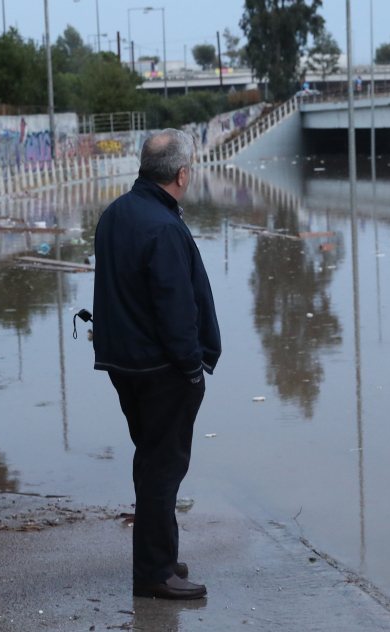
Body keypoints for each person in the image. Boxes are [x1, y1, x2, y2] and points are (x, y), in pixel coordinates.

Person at [92, 129, 221, 600]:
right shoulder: (164, 227)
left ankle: (160, 555)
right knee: (164, 468)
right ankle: (153, 575)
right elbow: (175, 310)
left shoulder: (116, 214)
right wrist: (192, 368)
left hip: (125, 363)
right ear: (183, 174)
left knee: (150, 461)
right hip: (161, 369)